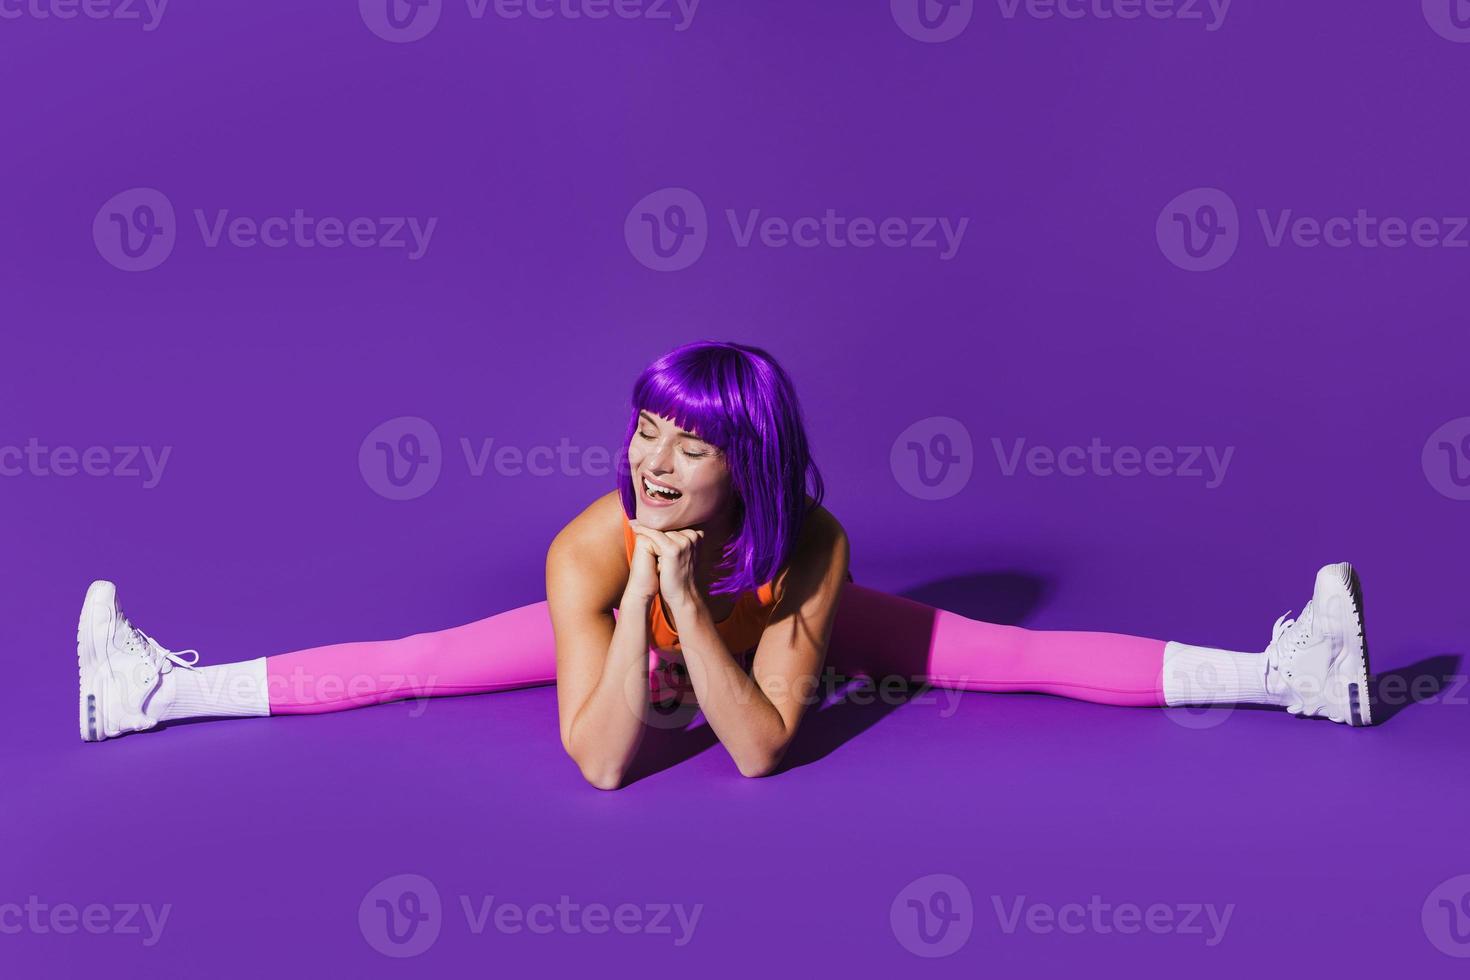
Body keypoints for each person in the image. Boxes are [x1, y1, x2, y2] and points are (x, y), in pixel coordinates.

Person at [75, 340, 1373, 789]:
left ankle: (1296, 676)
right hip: (638, 622)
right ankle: (150, 694)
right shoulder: (588, 544)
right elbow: (597, 763)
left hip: (728, 613)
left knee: (999, 655)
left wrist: (696, 602)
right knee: (417, 666)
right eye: (644, 431)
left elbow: (756, 749)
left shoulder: (809, 540)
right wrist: (646, 588)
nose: (652, 463)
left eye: (688, 447)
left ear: (745, 462)